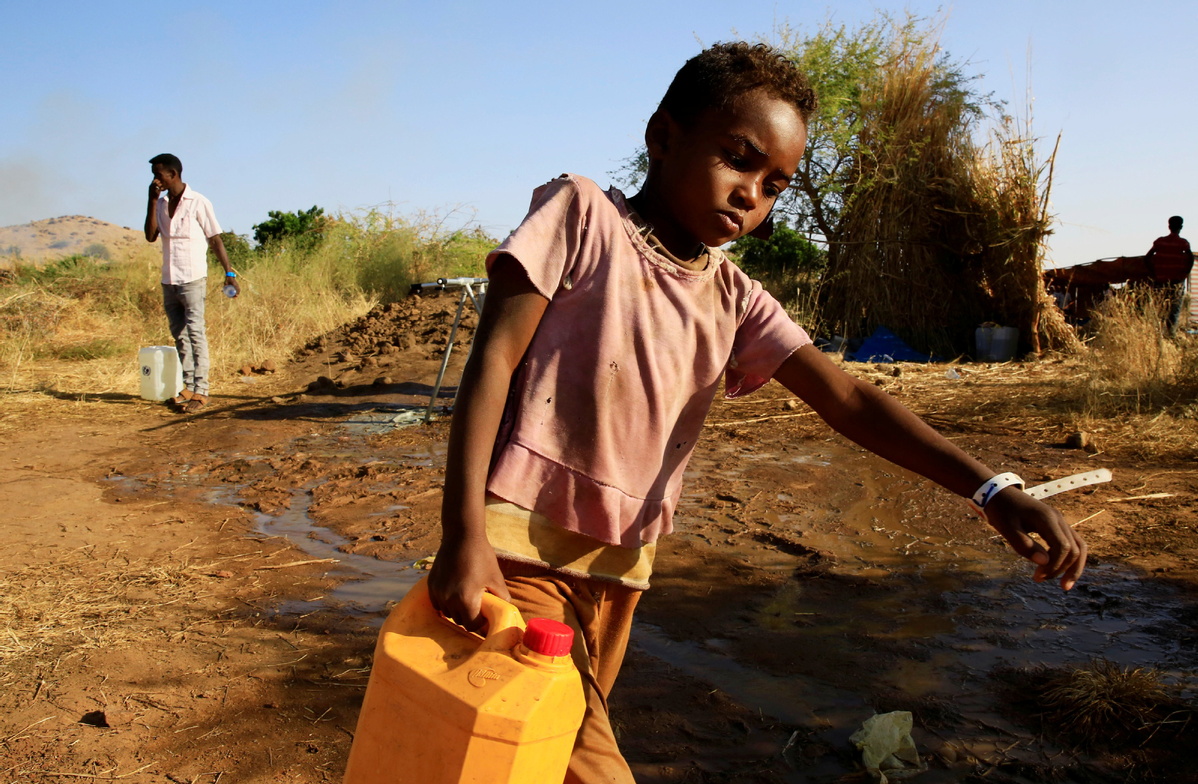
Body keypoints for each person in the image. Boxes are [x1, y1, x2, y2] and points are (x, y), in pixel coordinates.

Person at [426, 42, 1087, 782]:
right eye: (738, 159)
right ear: (663, 136)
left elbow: (850, 397)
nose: (752, 196)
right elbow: (492, 362)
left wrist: (989, 489)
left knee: (529, 761)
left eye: (775, 185)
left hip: (617, 579)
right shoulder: (581, 214)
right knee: (587, 764)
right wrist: (464, 534)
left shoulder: (733, 299)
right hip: (518, 557)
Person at [143, 153, 239, 412]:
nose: (155, 180)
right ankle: (188, 387)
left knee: (196, 334)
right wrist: (152, 201)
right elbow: (151, 235)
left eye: (159, 174)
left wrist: (229, 273)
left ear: (173, 174)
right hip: (169, 280)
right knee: (180, 336)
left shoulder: (198, 202)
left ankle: (202, 391)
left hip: (193, 279)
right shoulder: (161, 204)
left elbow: (215, 239)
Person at [1144, 215, 1193, 334]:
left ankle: (1159, 334)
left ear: (1169, 226)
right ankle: (1170, 335)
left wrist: (1154, 272)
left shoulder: (1160, 242)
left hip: (1160, 281)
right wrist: (1185, 273)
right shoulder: (1183, 243)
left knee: (1161, 310)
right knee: (1174, 311)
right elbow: (1190, 259)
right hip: (1176, 282)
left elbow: (1147, 258)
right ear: (1181, 227)